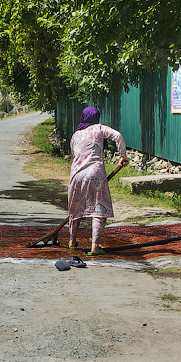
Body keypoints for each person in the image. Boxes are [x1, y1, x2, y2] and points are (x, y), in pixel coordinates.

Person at [68, 106, 129, 255]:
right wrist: (123, 156)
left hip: (76, 175)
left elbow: (74, 153)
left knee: (75, 209)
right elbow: (118, 136)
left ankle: (72, 241)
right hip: (95, 173)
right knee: (98, 209)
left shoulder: (75, 135)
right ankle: (94, 246)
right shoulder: (99, 129)